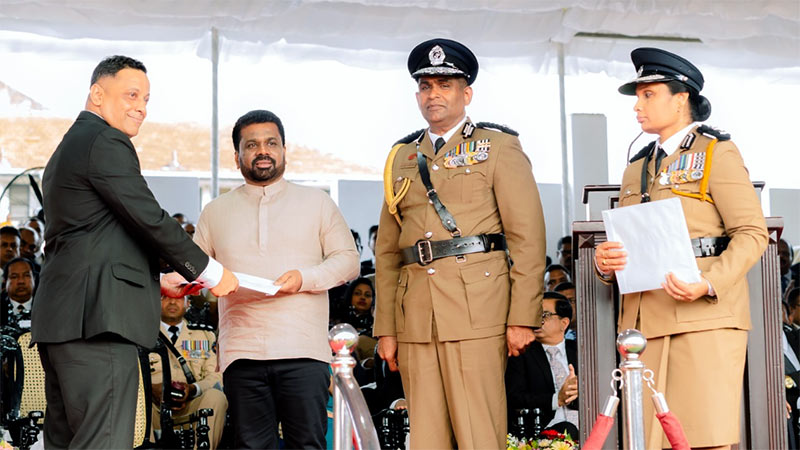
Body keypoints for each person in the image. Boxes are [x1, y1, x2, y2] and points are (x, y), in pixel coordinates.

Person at [32, 55, 238, 449]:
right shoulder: (105, 140)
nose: (141, 107)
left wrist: (158, 281)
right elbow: (147, 217)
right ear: (96, 93)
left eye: (146, 98)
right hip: (98, 323)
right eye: (131, 94)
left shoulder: (70, 146)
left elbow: (98, 238)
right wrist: (209, 271)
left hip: (64, 321)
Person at [374, 38, 546, 448]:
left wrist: (522, 315)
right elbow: (386, 251)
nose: (434, 94)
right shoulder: (401, 156)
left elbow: (527, 237)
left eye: (445, 85)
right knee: (427, 437)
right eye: (426, 86)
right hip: (416, 313)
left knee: (478, 433)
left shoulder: (498, 147)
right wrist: (386, 328)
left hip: (477, 308)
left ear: (466, 93)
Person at [594, 47, 768, 450]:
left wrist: (707, 283)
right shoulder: (635, 168)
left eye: (648, 94)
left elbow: (752, 232)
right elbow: (634, 240)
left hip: (701, 318)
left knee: (702, 439)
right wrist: (608, 263)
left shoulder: (716, 153)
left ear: (681, 97)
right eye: (637, 96)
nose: (637, 105)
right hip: (644, 326)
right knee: (646, 441)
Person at [193, 109, 360, 448]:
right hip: (243, 353)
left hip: (303, 351)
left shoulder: (318, 203)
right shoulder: (215, 211)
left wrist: (305, 278)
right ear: (237, 155)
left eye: (271, 143)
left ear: (285, 150)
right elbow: (194, 268)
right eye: (251, 145)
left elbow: (348, 262)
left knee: (307, 444)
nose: (262, 151)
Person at [150, 294, 227, 449]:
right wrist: (151, 389)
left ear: (188, 303)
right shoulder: (142, 335)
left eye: (178, 298)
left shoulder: (204, 335)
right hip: (155, 409)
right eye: (164, 297)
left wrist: (193, 389)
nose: (172, 301)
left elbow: (217, 375)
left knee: (216, 396)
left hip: (191, 406)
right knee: (135, 399)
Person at [505, 292, 578, 437]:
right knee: (567, 428)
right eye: (535, 314)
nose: (537, 320)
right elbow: (514, 397)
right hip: (542, 431)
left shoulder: (581, 351)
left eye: (544, 315)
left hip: (585, 427)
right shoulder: (521, 353)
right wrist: (556, 399)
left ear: (564, 323)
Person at [1, 257, 37, 329]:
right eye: (14, 277)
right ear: (5, 281)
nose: (21, 281)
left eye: (26, 275)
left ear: (34, 278)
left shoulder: (46, 307)